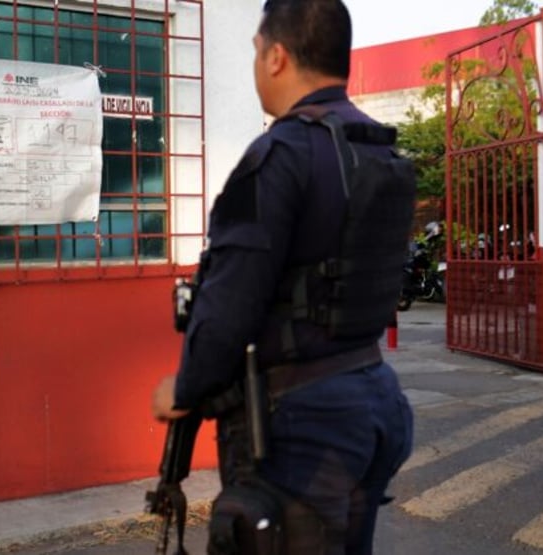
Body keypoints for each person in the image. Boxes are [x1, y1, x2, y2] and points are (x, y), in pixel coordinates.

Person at [152, 1, 415, 553]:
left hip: (306, 423)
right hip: (374, 398)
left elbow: (227, 305)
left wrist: (184, 388)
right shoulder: (379, 148)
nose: (254, 64)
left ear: (276, 57)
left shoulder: (281, 154)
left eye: (254, 50)